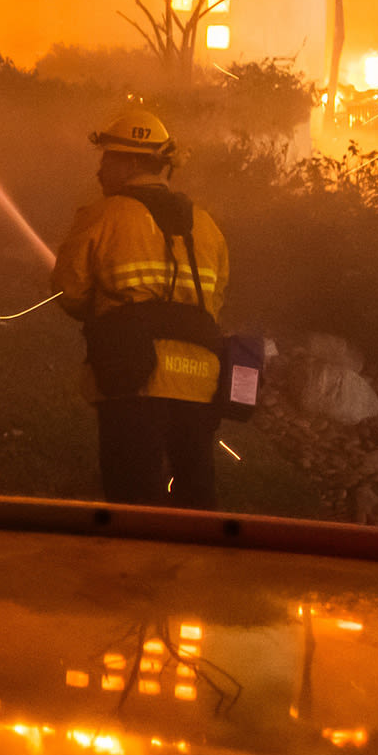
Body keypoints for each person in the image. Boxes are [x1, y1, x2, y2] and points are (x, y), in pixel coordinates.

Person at [51, 108, 231, 509]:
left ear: (131, 163)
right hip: (200, 381)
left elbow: (69, 291)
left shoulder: (103, 215)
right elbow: (215, 303)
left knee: (132, 499)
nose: (99, 170)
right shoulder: (207, 226)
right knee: (196, 496)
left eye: (107, 158)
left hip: (131, 376)